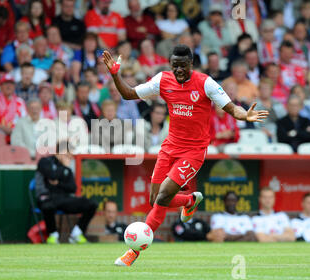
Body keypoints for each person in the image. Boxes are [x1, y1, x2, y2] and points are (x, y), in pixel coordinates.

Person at [102, 44, 268, 266]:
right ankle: (189, 200)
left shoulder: (205, 83)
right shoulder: (163, 80)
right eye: (175, 65)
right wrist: (115, 74)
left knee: (161, 199)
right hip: (169, 147)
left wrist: (244, 115)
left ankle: (133, 253)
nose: (179, 70)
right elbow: (128, 94)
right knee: (154, 198)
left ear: (192, 64)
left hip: (194, 151)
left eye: (183, 66)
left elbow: (231, 107)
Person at [35, 140, 98, 244]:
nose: (68, 156)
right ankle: (53, 235)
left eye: (69, 154)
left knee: (92, 204)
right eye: (66, 153)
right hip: (47, 196)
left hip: (63, 198)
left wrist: (58, 182)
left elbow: (72, 188)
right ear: (57, 152)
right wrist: (63, 169)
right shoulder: (44, 162)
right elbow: (52, 176)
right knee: (48, 206)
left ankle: (77, 233)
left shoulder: (67, 168)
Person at [0, 73, 27, 141]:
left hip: (17, 136)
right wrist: (3, 128)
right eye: (5, 83)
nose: (8, 86)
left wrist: (14, 131)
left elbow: (25, 122)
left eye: (11, 83)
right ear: (0, 86)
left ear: (14, 86)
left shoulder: (20, 101)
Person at [254, 78, 287, 142]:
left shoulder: (277, 103)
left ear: (271, 90)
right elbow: (254, 122)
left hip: (277, 132)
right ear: (259, 90)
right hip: (260, 132)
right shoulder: (254, 105)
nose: (264, 91)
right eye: (262, 88)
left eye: (266, 88)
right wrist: (261, 130)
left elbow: (284, 119)